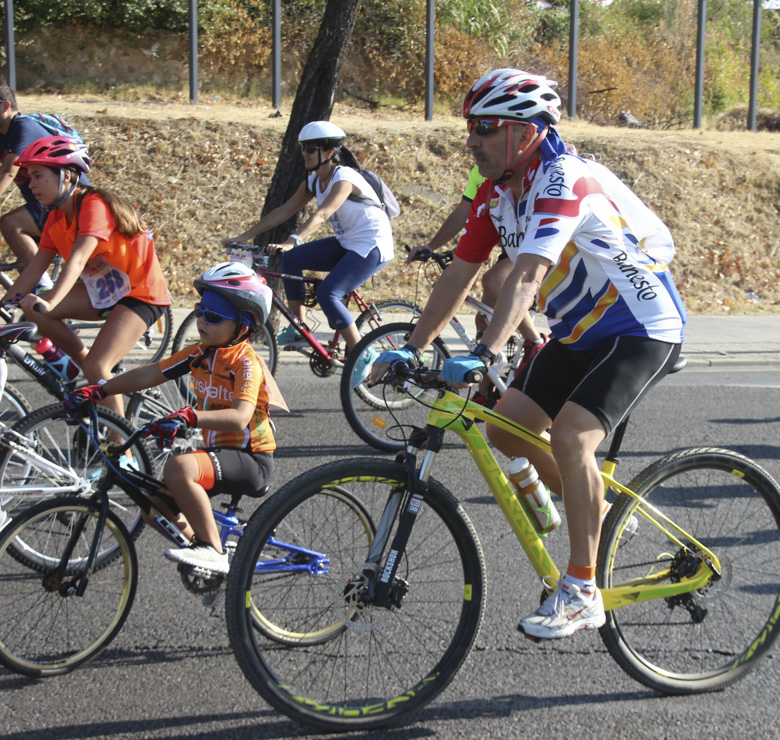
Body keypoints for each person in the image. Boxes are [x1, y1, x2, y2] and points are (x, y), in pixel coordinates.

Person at [367, 69, 686, 640]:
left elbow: (527, 277)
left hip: (641, 327)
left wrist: (485, 353)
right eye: (470, 127)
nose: (472, 141)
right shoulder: (495, 195)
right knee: (508, 430)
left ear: (528, 133)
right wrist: (409, 347)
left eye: (485, 128)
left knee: (570, 437)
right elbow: (460, 278)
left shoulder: (564, 181)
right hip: (579, 333)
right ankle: (603, 518)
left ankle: (584, 589)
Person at [63, 263, 283, 574]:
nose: (203, 321)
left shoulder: (246, 362)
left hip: (251, 458)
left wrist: (189, 417)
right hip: (218, 454)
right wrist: (100, 390)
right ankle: (204, 557)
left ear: (244, 325)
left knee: (179, 467)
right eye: (200, 311)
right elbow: (152, 372)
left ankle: (214, 551)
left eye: (215, 315)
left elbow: (239, 417)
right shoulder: (201, 352)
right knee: (151, 503)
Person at [1, 135, 172, 423]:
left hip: (141, 293)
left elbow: (78, 258)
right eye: (29, 177)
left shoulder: (93, 204)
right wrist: (5, 304)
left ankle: (121, 447)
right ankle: (84, 369)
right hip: (103, 294)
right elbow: (33, 270)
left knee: (98, 364)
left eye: (38, 176)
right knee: (33, 311)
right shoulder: (55, 218)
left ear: (66, 175)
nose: (30, 185)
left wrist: (50, 299)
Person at [225, 121, 394, 357]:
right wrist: (245, 236)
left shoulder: (344, 177)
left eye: (310, 148)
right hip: (347, 243)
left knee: (328, 293)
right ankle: (298, 328)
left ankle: (361, 354)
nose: (304, 153)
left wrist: (293, 239)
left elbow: (323, 213)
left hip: (372, 245)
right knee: (291, 259)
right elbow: (284, 211)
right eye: (302, 148)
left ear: (328, 152)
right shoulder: (314, 180)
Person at [410, 164, 547, 404]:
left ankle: (535, 341)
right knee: (482, 320)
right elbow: (465, 212)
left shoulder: (534, 169)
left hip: (541, 244)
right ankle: (486, 393)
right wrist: (433, 246)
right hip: (514, 244)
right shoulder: (480, 172)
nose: (473, 142)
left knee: (493, 280)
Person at [0, 82, 85, 291]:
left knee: (11, 224)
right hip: (44, 206)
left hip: (67, 203)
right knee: (22, 271)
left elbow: (9, 171)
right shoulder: (2, 136)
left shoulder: (23, 127)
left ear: (4, 107)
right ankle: (38, 312)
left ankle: (45, 294)